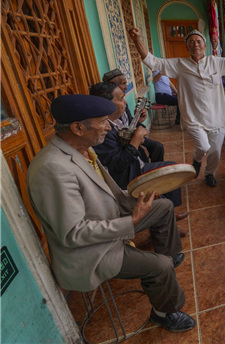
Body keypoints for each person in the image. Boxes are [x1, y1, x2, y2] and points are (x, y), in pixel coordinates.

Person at [26, 94, 196, 333]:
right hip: (91, 251)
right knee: (160, 265)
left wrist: (138, 197)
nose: (109, 127)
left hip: (110, 222)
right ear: (77, 128)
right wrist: (133, 220)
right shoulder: (52, 169)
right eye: (103, 121)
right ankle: (164, 312)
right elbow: (74, 234)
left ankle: (168, 259)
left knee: (164, 206)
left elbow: (108, 193)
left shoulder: (83, 150)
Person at [128, 27, 225, 187]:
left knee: (216, 152)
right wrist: (137, 40)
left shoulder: (216, 62)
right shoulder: (179, 64)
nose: (195, 44)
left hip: (217, 116)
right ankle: (197, 160)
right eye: (191, 42)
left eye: (198, 41)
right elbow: (153, 61)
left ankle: (209, 173)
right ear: (187, 47)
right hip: (193, 117)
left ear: (204, 46)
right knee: (203, 146)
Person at [89, 82, 189, 226]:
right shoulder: (103, 130)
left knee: (166, 163)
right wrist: (136, 139)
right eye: (121, 99)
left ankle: (169, 214)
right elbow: (118, 166)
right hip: (131, 176)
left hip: (136, 164)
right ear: (106, 104)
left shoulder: (117, 119)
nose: (125, 102)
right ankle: (167, 215)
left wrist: (139, 125)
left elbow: (130, 133)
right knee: (171, 170)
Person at [102, 68, 165, 163]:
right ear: (112, 86)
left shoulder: (124, 103)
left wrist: (138, 120)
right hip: (124, 144)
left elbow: (128, 124)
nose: (126, 87)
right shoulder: (110, 112)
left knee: (158, 147)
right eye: (123, 83)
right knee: (142, 154)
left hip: (130, 136)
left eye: (126, 83)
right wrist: (136, 142)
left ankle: (155, 169)